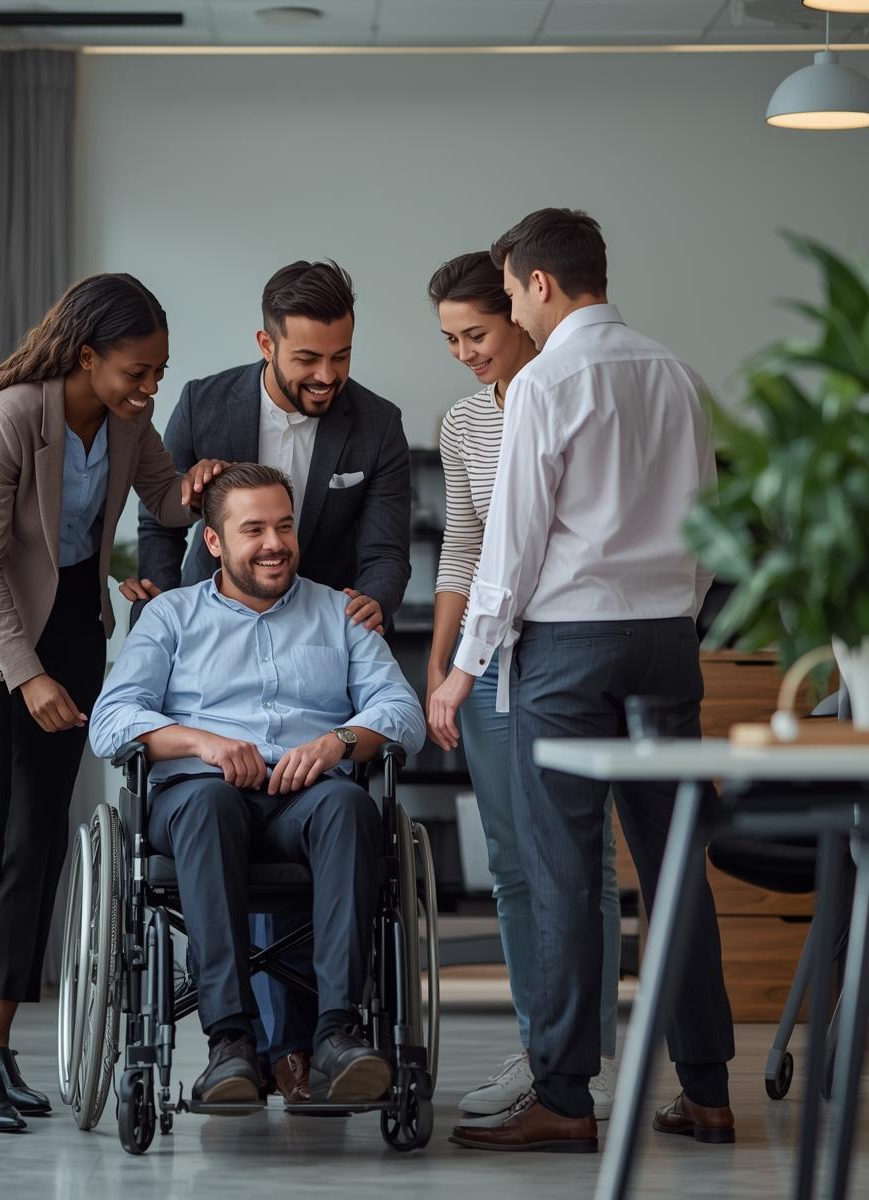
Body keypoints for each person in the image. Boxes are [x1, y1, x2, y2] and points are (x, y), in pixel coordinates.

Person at [429, 209, 735, 1153]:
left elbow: (511, 547)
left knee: (564, 875)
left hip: (566, 651)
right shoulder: (677, 374)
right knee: (673, 865)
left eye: (512, 290)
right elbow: (711, 527)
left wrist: (462, 670)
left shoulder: (547, 382)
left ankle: (564, 1098)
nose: (514, 304)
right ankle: (708, 1090)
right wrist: (673, 621)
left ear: (540, 283)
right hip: (665, 644)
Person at [0, 273, 226, 1132]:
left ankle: (2, 1035)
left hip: (66, 621)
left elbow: (162, 496)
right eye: (138, 370)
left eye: (160, 371)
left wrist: (197, 485)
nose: (150, 387)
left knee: (40, 829)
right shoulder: (15, 415)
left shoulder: (130, 421)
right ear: (87, 357)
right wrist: (27, 675)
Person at [123, 260, 412, 1103]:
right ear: (267, 345)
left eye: (342, 358)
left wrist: (366, 611)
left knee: (339, 807)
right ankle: (239, 1046)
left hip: (321, 643)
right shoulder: (207, 405)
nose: (327, 376)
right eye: (307, 360)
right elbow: (159, 511)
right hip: (210, 643)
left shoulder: (377, 425)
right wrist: (164, 602)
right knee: (216, 803)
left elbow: (387, 548)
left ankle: (323, 1041)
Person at [90, 463, 425, 1108]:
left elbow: (401, 710)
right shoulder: (170, 617)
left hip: (307, 795)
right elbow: (113, 721)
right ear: (214, 542)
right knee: (210, 804)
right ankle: (230, 1044)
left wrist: (339, 743)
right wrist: (202, 742)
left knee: (352, 807)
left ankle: (337, 1035)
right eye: (254, 530)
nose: (275, 543)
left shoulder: (340, 612)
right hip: (200, 794)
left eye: (284, 526)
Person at [424, 251, 621, 1125]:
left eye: (477, 332)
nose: (465, 351)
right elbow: (463, 550)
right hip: (487, 661)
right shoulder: (464, 423)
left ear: (519, 312)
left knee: (582, 862)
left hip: (566, 651)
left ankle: (576, 1058)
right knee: (510, 860)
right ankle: (541, 1045)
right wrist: (440, 665)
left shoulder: (575, 389)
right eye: (450, 339)